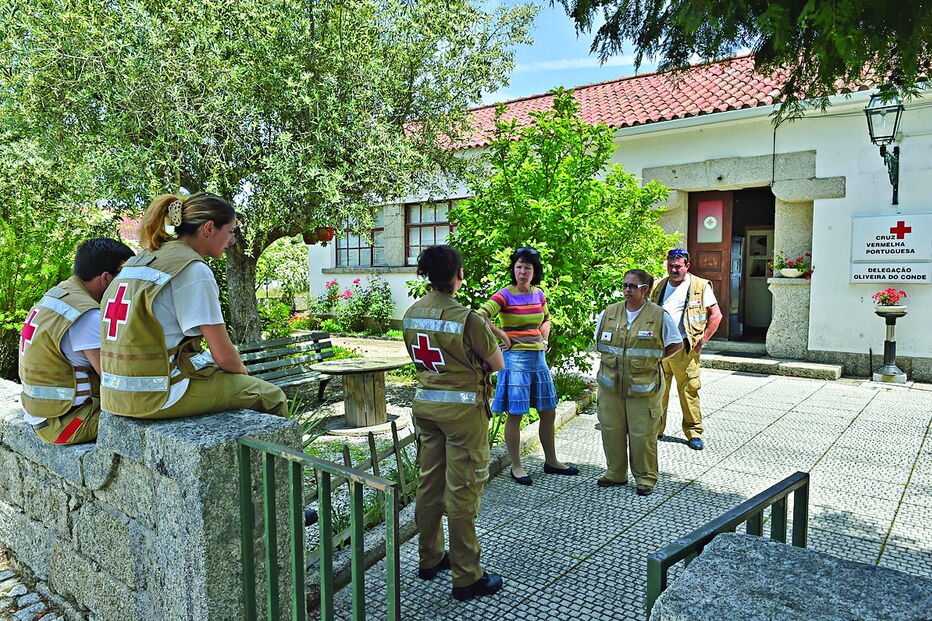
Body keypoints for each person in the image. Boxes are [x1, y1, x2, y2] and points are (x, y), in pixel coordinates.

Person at [99, 193, 288, 420]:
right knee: (271, 396)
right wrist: (246, 380)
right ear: (209, 228)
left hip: (114, 395)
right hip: (155, 395)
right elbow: (224, 355)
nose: (232, 241)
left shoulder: (141, 260)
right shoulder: (192, 269)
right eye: (230, 231)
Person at [402, 245, 505, 602]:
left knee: (430, 485)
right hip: (463, 414)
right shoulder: (467, 318)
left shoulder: (412, 313)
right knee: (462, 492)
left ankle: (429, 559)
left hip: (426, 407)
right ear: (457, 275)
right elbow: (496, 364)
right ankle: (467, 577)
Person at [19, 238, 135, 444]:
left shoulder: (59, 296)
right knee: (147, 419)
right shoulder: (87, 316)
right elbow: (115, 380)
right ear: (106, 278)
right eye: (125, 277)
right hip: (66, 423)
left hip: (45, 416)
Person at [478, 247, 577, 485]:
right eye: (519, 267)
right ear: (513, 269)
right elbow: (480, 315)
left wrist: (544, 339)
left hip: (538, 359)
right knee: (516, 413)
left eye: (527, 268)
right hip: (515, 360)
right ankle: (517, 466)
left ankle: (552, 460)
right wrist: (502, 335)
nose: (522, 272)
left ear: (535, 271)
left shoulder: (538, 294)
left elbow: (546, 318)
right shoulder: (504, 294)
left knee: (548, 410)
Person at [594, 269, 683, 496]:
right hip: (610, 386)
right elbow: (597, 341)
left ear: (646, 289)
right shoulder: (609, 313)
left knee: (642, 435)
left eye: (632, 286)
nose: (627, 290)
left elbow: (676, 344)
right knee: (611, 430)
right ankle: (615, 473)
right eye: (624, 285)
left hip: (643, 388)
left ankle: (645, 478)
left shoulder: (659, 316)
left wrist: (653, 359)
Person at [649, 249, 723, 450]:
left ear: (687, 266)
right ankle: (656, 430)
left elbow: (716, 316)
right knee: (657, 390)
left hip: (686, 348)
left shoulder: (700, 285)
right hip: (661, 348)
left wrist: (702, 341)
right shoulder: (659, 286)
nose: (674, 270)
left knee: (689, 390)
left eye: (678, 266)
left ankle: (694, 432)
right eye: (670, 266)